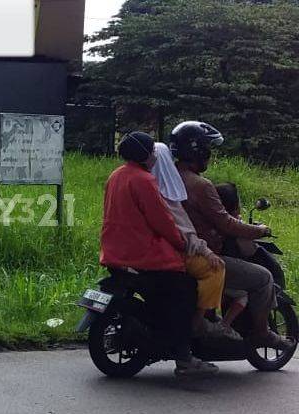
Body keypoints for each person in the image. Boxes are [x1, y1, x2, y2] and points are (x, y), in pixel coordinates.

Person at [101, 131, 218, 377]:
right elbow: (162, 220)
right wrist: (179, 243)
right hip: (144, 254)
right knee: (185, 291)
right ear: (144, 155)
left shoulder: (116, 176)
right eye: (152, 151)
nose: (155, 155)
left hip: (114, 251)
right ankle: (184, 357)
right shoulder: (144, 180)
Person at [171, 121, 294, 351]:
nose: (209, 155)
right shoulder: (200, 185)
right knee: (264, 278)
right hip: (202, 254)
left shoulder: (171, 177)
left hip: (177, 249)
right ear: (198, 151)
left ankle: (215, 323)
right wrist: (259, 230)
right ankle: (261, 333)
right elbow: (226, 223)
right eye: (207, 150)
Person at [150, 143, 240, 340]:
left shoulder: (135, 182)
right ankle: (198, 324)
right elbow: (181, 230)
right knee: (216, 269)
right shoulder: (172, 192)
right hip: (171, 253)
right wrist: (204, 250)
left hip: (139, 251)